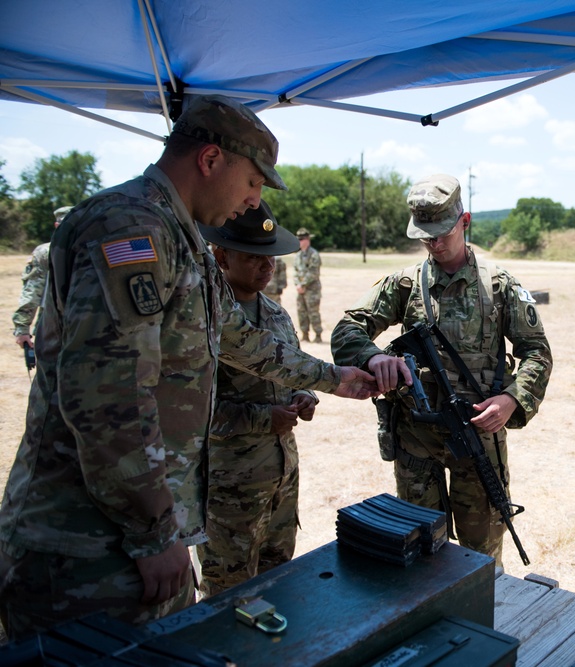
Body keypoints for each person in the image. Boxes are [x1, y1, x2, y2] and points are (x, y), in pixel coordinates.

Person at [0, 94, 377, 641]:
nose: (254, 204)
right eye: (253, 183)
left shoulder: (183, 241)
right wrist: (154, 534)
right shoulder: (131, 229)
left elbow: (240, 339)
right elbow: (108, 398)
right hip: (83, 545)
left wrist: (333, 378)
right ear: (210, 161)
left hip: (129, 537)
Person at [330, 174, 552, 567]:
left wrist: (511, 398)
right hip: (416, 441)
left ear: (464, 222)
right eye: (425, 235)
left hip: (477, 440)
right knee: (419, 552)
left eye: (442, 233)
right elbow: (348, 328)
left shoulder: (498, 285)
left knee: (481, 557)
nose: (434, 243)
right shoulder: (404, 284)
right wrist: (372, 357)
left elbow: (537, 351)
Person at [196, 201, 314, 596]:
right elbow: (194, 413)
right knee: (228, 590)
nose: (268, 267)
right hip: (230, 490)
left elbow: (295, 371)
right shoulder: (203, 319)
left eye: (271, 258)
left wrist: (304, 395)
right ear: (221, 255)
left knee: (278, 580)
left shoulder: (277, 315)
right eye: (254, 258)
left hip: (281, 478)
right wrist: (266, 419)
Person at [11, 205, 72, 350]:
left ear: (57, 225)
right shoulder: (94, 248)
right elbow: (33, 290)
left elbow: (32, 291)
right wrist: (22, 327)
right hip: (83, 321)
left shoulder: (45, 251)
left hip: (53, 319)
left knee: (50, 369)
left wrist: (22, 328)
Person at [294, 227, 322, 342]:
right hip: (300, 289)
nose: (299, 242)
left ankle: (318, 335)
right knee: (301, 312)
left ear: (307, 240)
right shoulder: (298, 255)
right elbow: (295, 272)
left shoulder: (314, 254)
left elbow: (313, 272)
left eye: (301, 239)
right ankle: (304, 334)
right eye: (298, 239)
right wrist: (297, 284)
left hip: (312, 290)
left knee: (313, 312)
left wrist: (303, 284)